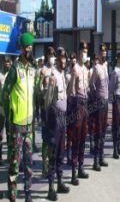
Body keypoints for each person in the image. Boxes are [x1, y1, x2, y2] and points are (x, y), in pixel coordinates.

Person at [2, 32, 35, 202]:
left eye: (31, 47)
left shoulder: (32, 70)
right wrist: (10, 115)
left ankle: (28, 194)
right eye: (27, 47)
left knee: (28, 164)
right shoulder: (15, 69)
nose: (30, 50)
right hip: (16, 125)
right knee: (15, 164)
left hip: (29, 125)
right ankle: (13, 196)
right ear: (21, 49)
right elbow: (4, 95)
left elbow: (33, 94)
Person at [45, 47, 70, 201]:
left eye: (64, 58)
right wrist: (49, 120)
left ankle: (60, 182)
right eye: (61, 58)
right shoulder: (53, 75)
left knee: (61, 150)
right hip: (55, 117)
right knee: (53, 153)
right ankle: (50, 187)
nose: (63, 60)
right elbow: (48, 100)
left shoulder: (63, 75)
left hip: (63, 117)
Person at [69, 41, 90, 185]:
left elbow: (88, 87)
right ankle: (73, 172)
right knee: (76, 138)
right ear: (79, 51)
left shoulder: (86, 70)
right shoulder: (75, 69)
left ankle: (81, 167)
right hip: (77, 104)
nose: (84, 53)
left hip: (85, 104)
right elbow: (71, 91)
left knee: (83, 137)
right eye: (83, 51)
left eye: (86, 51)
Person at [90, 44, 109, 171]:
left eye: (105, 51)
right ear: (99, 52)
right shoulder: (96, 68)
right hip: (99, 102)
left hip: (106, 101)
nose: (104, 53)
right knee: (98, 131)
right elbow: (91, 84)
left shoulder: (106, 66)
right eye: (101, 51)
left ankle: (101, 157)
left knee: (103, 130)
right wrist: (96, 97)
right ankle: (95, 160)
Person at [40, 47, 56, 177]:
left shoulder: (55, 70)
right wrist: (43, 83)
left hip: (54, 110)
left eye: (53, 54)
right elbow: (38, 90)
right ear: (47, 55)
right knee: (46, 139)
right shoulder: (43, 70)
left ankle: (51, 165)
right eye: (50, 54)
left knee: (53, 139)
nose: (52, 56)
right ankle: (45, 167)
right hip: (45, 109)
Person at [109, 52, 120, 159]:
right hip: (116, 99)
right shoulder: (115, 72)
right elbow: (111, 88)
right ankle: (114, 149)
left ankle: (118, 146)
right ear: (117, 59)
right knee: (115, 124)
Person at [0, 57, 12, 165]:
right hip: (1, 107)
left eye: (8, 62)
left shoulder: (12, 75)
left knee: (9, 133)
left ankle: (9, 156)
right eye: (5, 62)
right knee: (0, 133)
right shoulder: (0, 75)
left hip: (10, 107)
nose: (7, 64)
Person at [66, 52, 77, 166]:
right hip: (69, 105)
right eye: (72, 62)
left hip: (77, 104)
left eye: (75, 62)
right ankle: (68, 154)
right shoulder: (67, 75)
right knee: (69, 131)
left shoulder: (77, 73)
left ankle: (73, 153)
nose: (73, 64)